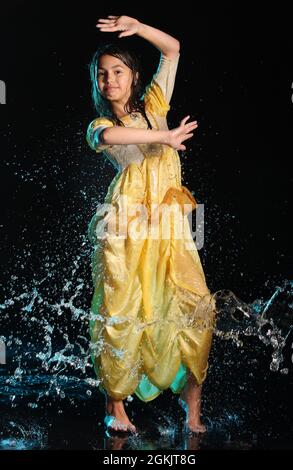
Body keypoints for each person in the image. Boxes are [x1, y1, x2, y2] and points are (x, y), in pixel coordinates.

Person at [86, 15, 217, 435]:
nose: (110, 81)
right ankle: (115, 406)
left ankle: (193, 411)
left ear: (134, 76)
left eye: (118, 72)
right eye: (103, 75)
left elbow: (173, 48)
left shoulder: (156, 105)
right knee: (121, 309)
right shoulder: (101, 126)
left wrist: (137, 25)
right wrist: (163, 139)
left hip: (169, 227)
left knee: (192, 304)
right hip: (127, 228)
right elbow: (110, 140)